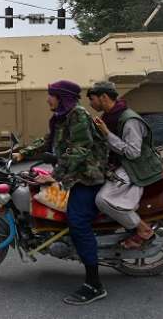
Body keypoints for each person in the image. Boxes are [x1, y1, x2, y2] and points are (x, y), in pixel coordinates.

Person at [12, 80, 109, 305]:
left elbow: (80, 149)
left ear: (62, 97)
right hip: (73, 174)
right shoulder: (63, 117)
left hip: (87, 177)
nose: (48, 99)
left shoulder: (78, 115)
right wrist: (22, 154)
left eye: (51, 95)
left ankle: (94, 285)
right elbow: (49, 140)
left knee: (77, 222)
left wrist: (55, 175)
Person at [87, 82, 163, 249]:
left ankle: (142, 228)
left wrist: (107, 134)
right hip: (119, 165)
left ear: (104, 97)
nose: (90, 104)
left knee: (102, 199)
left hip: (135, 168)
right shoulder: (109, 117)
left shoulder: (129, 120)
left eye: (92, 99)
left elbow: (133, 153)